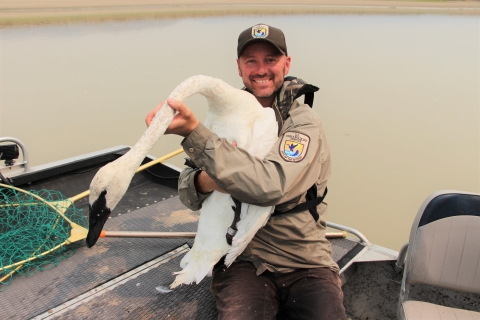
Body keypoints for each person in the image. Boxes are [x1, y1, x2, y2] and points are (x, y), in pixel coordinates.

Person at [145, 23, 347, 320]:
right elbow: (188, 192)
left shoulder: (303, 122)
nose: (261, 69)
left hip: (304, 260)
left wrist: (194, 133)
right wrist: (208, 180)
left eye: (270, 60)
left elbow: (272, 185)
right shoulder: (223, 116)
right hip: (241, 258)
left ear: (286, 64)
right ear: (238, 68)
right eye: (251, 60)